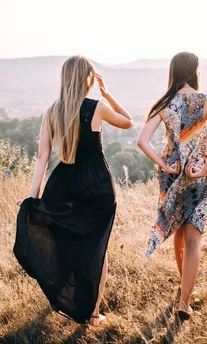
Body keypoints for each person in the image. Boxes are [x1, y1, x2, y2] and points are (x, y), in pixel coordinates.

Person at [13, 55, 133, 326]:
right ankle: (92, 314)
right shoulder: (97, 107)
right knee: (96, 249)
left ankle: (65, 300)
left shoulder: (52, 111)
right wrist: (107, 93)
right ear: (87, 79)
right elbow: (128, 121)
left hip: (64, 185)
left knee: (68, 246)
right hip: (97, 186)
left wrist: (34, 196)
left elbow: (42, 157)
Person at [136, 51, 207, 321]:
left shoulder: (164, 104)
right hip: (198, 171)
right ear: (195, 71)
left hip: (173, 173)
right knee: (193, 237)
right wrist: (203, 169)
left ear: (173, 71)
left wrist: (164, 165)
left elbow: (142, 140)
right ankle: (185, 302)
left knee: (177, 231)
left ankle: (183, 292)